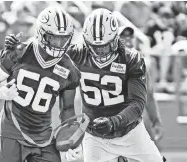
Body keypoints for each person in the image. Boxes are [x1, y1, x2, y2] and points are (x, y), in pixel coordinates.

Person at [0, 7, 82, 162]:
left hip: (43, 137)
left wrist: (73, 142)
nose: (59, 43)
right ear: (41, 33)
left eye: (64, 38)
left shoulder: (69, 70)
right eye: (54, 38)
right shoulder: (20, 51)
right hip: (11, 133)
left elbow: (68, 109)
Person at [68, 9, 163, 162]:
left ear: (114, 39)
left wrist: (114, 122)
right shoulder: (78, 54)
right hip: (95, 136)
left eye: (104, 46)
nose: (99, 51)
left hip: (129, 133)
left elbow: (138, 103)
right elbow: (45, 52)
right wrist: (18, 49)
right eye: (95, 46)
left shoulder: (131, 59)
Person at [119, 26, 164, 146]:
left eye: (130, 36)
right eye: (123, 36)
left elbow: (148, 95)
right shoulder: (104, 64)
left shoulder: (141, 64)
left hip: (136, 120)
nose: (127, 39)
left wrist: (155, 121)